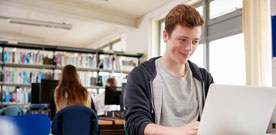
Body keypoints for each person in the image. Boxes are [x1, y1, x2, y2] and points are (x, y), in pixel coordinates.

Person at [124, 4, 214, 135]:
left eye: (195, 41)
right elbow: (135, 123)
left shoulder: (204, 78)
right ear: (165, 36)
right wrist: (178, 131)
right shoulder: (141, 75)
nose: (189, 48)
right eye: (183, 40)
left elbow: (214, 119)